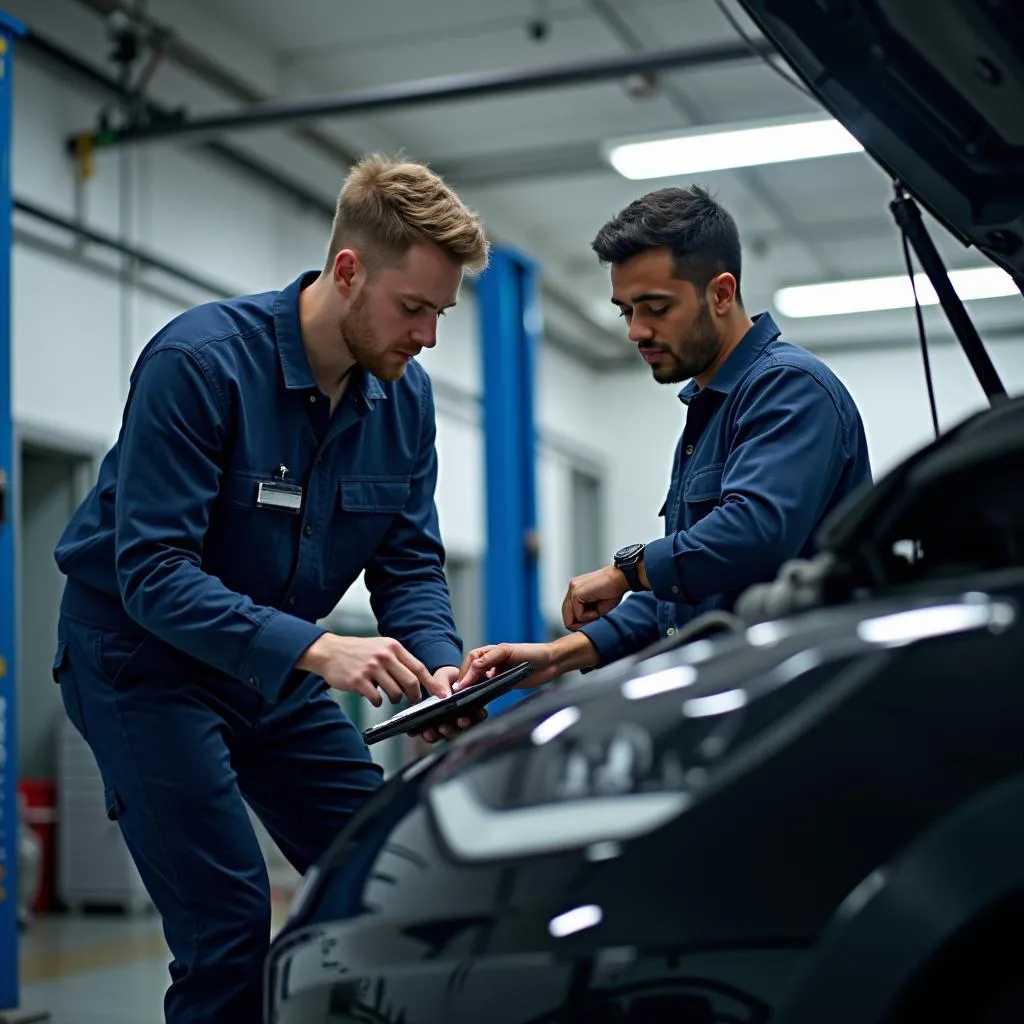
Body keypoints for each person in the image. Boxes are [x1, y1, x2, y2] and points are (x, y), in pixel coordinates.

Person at [50, 154, 489, 1023]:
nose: (427, 337)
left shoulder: (405, 401)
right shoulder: (201, 363)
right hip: (141, 661)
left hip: (270, 665)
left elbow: (407, 563)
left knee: (391, 868)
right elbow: (152, 573)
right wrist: (320, 650)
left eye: (440, 314)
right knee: (230, 929)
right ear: (349, 271)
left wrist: (440, 671)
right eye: (413, 310)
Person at [458, 184, 872, 690]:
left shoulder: (787, 386)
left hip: (798, 700)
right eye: (626, 310)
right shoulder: (711, 406)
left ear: (720, 293)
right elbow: (684, 593)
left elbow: (755, 533)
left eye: (655, 308)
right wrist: (554, 657)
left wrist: (625, 572)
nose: (635, 331)